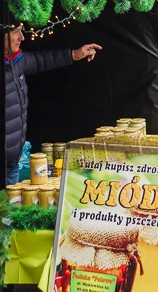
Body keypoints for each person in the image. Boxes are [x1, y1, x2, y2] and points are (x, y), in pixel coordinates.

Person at [5, 26, 101, 185]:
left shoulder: (17, 60)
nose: (22, 37)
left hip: (13, 158)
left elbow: (39, 60)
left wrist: (75, 55)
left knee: (9, 205)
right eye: (16, 32)